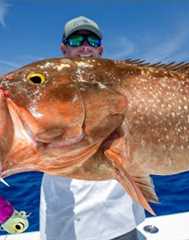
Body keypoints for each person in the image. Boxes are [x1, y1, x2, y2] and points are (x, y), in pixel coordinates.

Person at [40, 16, 146, 240]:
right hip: (66, 220)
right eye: (77, 40)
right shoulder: (45, 90)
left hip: (119, 216)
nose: (85, 47)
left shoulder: (128, 85)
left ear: (101, 50)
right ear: (64, 48)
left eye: (93, 42)